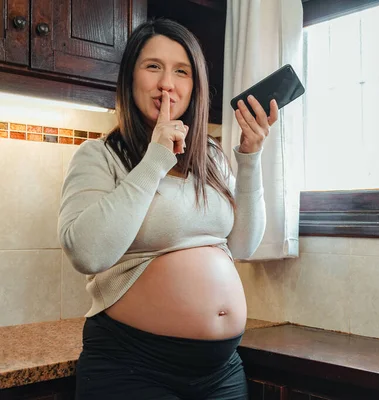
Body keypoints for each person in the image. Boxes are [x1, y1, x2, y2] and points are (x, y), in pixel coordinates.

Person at [58, 18, 278, 400]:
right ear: (130, 78)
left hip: (220, 372)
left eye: (182, 71)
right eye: (153, 67)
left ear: (195, 87)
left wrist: (250, 157)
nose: (167, 83)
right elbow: (87, 252)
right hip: (133, 366)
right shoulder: (100, 157)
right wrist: (156, 158)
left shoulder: (208, 156)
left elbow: (242, 246)